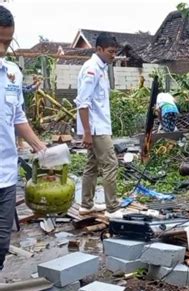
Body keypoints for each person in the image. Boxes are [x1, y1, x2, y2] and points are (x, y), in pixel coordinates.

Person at [0, 6, 47, 271]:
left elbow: (17, 117)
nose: (3, 49)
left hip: (6, 174)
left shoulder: (12, 74)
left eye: (8, 42)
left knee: (1, 243)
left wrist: (40, 147)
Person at [74, 32, 120, 214]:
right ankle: (113, 208)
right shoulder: (91, 69)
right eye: (110, 51)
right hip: (96, 128)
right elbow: (82, 102)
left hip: (98, 126)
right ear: (99, 49)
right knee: (110, 164)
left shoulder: (100, 68)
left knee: (92, 165)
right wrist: (87, 132)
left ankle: (86, 205)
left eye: (115, 52)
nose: (113, 55)